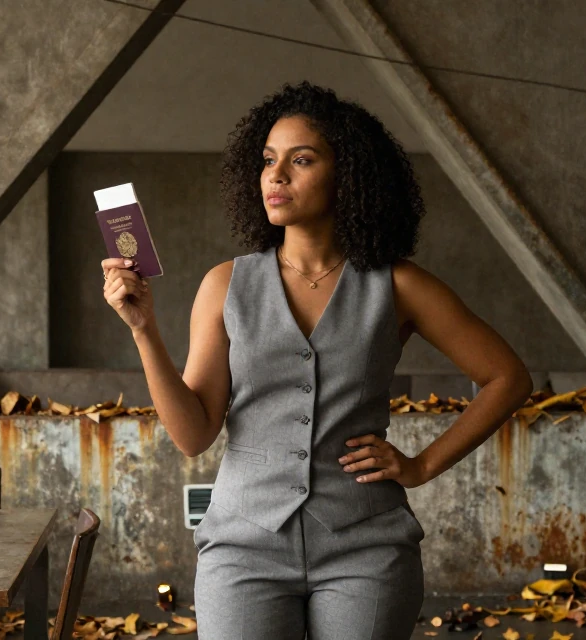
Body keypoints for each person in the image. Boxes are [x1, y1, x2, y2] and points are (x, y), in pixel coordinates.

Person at [101, 81, 532, 640]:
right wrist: (144, 331)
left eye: (301, 160)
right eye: (268, 160)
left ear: (347, 176)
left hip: (366, 547)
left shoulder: (398, 285)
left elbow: (507, 378)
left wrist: (422, 466)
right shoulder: (225, 285)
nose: (276, 176)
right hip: (242, 548)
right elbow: (193, 435)